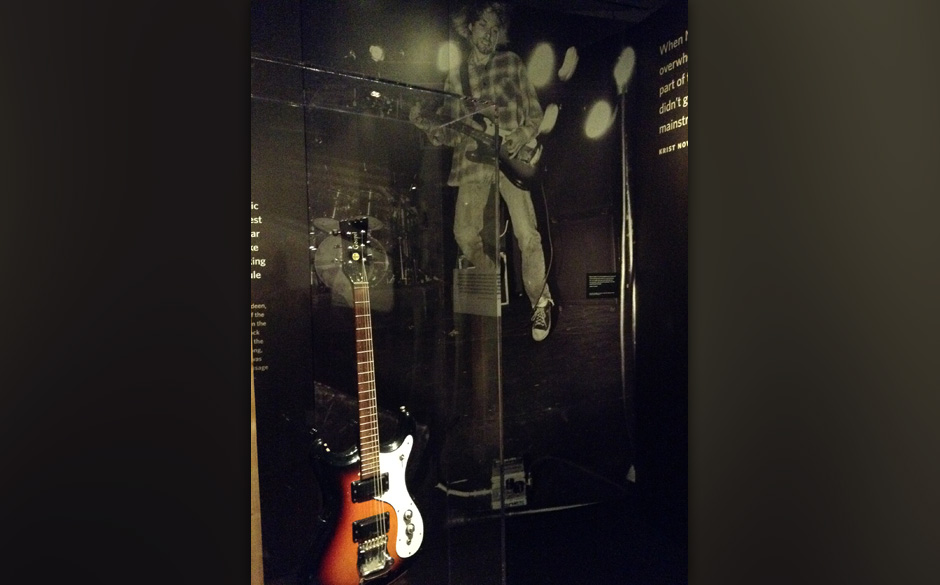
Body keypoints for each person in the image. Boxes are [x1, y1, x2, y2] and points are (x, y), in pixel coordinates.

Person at [410, 1, 555, 341]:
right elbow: (452, 132)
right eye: (483, 27)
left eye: (494, 29)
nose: (489, 35)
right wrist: (429, 128)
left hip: (511, 157)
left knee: (526, 232)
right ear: (469, 28)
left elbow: (534, 113)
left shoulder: (511, 62)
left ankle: (541, 302)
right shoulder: (455, 78)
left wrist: (520, 136)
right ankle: (491, 277)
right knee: (464, 235)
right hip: (473, 162)